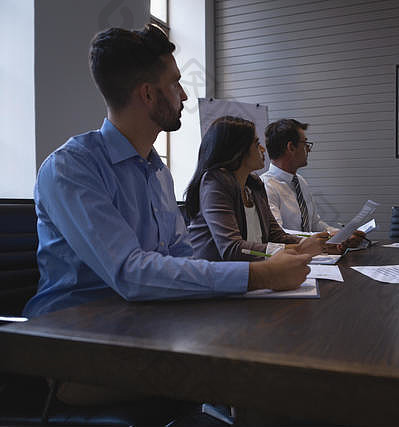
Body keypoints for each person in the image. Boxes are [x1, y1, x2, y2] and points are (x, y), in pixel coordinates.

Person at [23, 25, 311, 321]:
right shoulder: (71, 168)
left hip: (146, 316)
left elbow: (183, 258)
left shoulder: (158, 172)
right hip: (68, 330)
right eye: (175, 83)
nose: (184, 95)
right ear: (148, 94)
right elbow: (129, 272)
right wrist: (258, 275)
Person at [184, 116, 327, 262]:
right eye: (256, 143)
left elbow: (276, 235)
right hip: (217, 278)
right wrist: (298, 249)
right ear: (238, 149)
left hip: (250, 273)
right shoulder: (214, 182)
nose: (263, 149)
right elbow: (233, 249)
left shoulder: (254, 185)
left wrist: (319, 244)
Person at [260, 119, 365, 250]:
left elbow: (315, 223)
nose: (308, 149)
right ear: (291, 147)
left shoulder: (300, 181)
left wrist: (342, 234)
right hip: (289, 259)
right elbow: (279, 234)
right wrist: (327, 236)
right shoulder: (266, 186)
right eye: (305, 143)